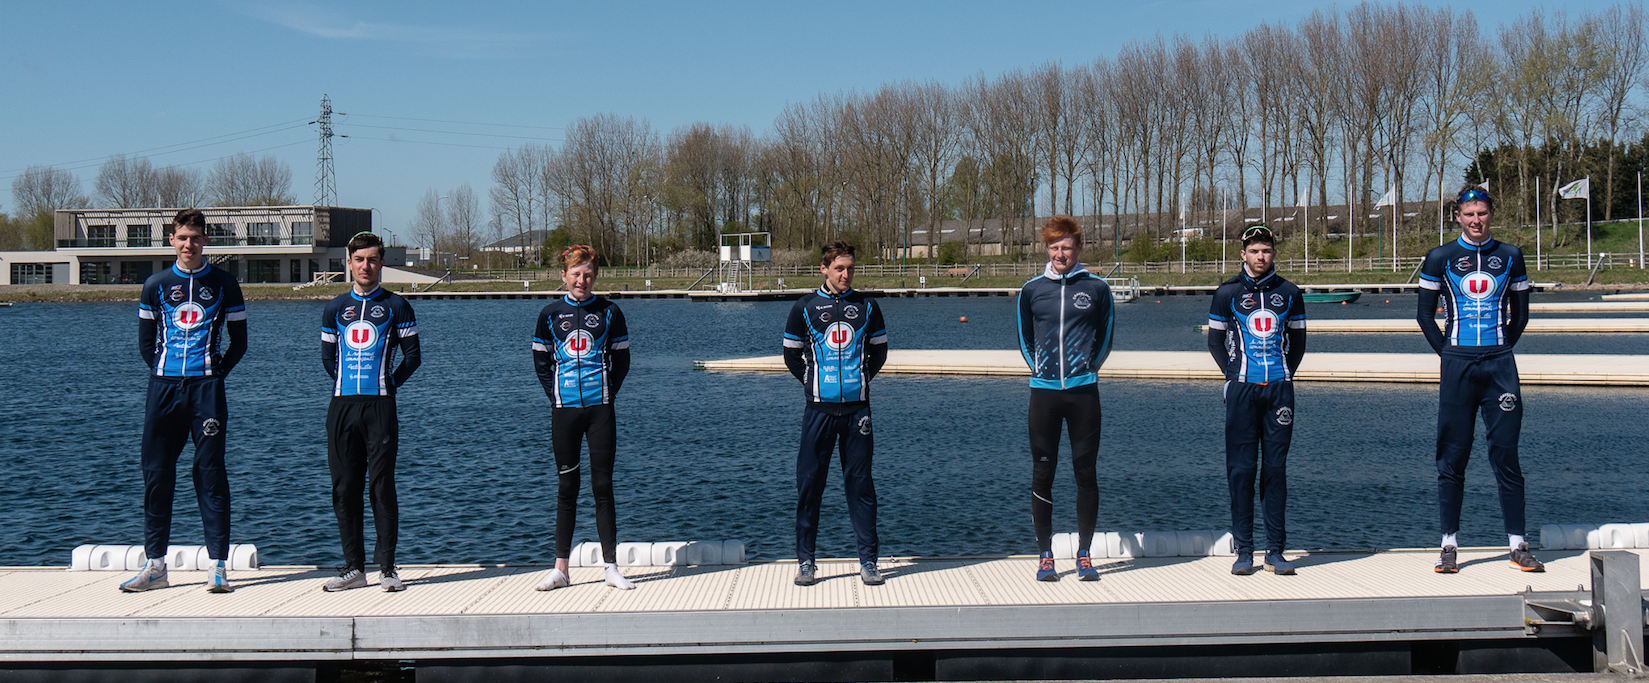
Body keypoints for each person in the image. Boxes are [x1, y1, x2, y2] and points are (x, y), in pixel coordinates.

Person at [1417, 186, 1542, 574]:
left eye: (1482, 213)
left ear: (1492, 214)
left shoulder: (1511, 256)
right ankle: (1449, 544)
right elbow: (1424, 316)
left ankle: (1518, 544)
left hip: (1499, 365)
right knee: (1452, 456)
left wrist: (1500, 349)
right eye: (1469, 214)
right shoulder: (1440, 257)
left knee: (1506, 454)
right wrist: (1449, 354)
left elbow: (1521, 315)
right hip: (1457, 364)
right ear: (1458, 216)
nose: (1476, 220)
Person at [121, 208, 247, 593]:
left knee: (210, 473)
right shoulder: (155, 284)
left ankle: (217, 566)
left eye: (195, 238)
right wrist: (167, 372)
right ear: (171, 240)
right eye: (182, 238)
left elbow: (239, 343)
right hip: (163, 389)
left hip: (206, 390)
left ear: (205, 240)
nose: (188, 244)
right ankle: (155, 566)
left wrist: (214, 374)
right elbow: (146, 344)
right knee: (157, 474)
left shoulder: (224, 283)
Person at [319, 232, 421, 592]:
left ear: (381, 263)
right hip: (342, 406)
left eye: (373, 260)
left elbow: (413, 358)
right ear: (349, 263)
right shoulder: (335, 308)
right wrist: (346, 385)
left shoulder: (396, 306)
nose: (366, 266)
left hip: (380, 407)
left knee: (381, 486)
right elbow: (328, 358)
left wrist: (388, 385)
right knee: (344, 488)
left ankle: (388, 568)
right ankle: (353, 568)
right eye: (359, 260)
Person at [783, 240, 888, 587]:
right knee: (809, 486)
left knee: (861, 486)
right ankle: (806, 561)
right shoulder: (805, 307)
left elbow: (879, 353)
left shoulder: (867, 306)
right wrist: (812, 382)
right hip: (818, 411)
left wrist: (860, 379)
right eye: (839, 268)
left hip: (858, 411)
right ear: (824, 269)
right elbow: (791, 355)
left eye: (850, 268)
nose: (845, 275)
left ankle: (869, 561)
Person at [1016, 215, 1114, 582]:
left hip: (1083, 393)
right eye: (1054, 247)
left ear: (1079, 248)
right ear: (1047, 249)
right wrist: (1040, 369)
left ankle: (1084, 555)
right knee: (1043, 473)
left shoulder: (1097, 288)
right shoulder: (1031, 290)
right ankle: (1046, 555)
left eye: (1067, 247)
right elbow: (1024, 338)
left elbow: (1105, 337)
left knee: (1085, 473)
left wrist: (1087, 369)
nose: (1061, 254)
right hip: (1043, 394)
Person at [532, 245, 635, 591]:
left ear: (595, 276)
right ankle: (561, 569)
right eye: (575, 274)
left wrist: (608, 394)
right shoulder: (549, 314)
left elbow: (622, 362)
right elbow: (541, 363)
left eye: (588, 274)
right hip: (564, 412)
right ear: (563, 276)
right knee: (567, 488)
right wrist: (556, 397)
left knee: (602, 487)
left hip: (600, 410)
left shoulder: (610, 312)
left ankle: (611, 567)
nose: (582, 280)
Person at [1207, 225, 1306, 576]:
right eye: (1254, 251)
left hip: (1279, 390)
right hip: (1242, 390)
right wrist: (1232, 376)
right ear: (1243, 255)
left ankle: (1275, 551)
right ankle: (1244, 550)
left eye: (1265, 250)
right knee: (1241, 471)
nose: (1260, 256)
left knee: (1275, 470)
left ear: (1273, 254)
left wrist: (1284, 373)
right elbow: (1215, 343)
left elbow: (1298, 343)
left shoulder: (1290, 293)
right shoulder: (1227, 293)